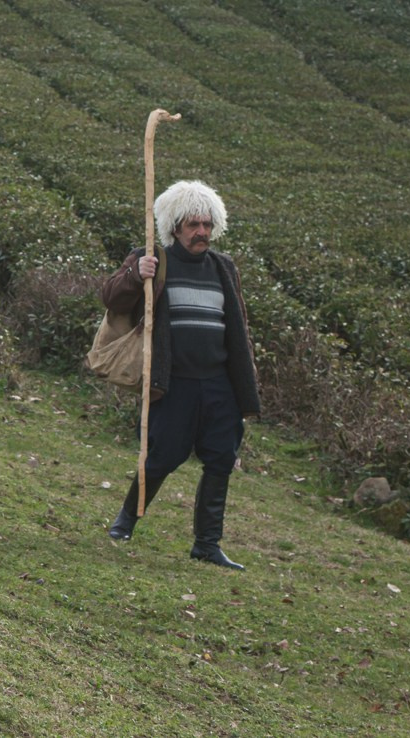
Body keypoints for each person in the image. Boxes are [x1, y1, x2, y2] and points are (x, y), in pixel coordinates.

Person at [100, 179, 261, 569]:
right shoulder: (152, 260)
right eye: (193, 225)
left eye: (207, 225)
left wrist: (244, 388)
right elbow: (111, 297)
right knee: (164, 456)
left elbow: (237, 328)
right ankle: (126, 519)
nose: (201, 232)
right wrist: (137, 274)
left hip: (219, 382)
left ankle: (207, 544)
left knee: (222, 457)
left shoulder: (223, 268)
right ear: (175, 226)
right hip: (173, 383)